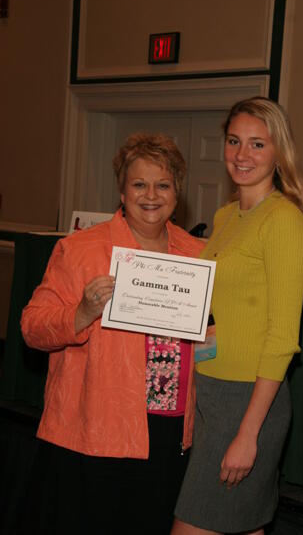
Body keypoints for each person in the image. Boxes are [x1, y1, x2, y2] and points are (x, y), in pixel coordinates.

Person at [20, 133, 205, 535]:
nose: (151, 195)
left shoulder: (197, 253)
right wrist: (82, 312)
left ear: (177, 192)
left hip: (169, 428)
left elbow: (207, 340)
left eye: (163, 185)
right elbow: (32, 328)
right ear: (122, 191)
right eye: (139, 184)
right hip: (96, 428)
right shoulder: (81, 249)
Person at [172, 97, 303, 535]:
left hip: (249, 401)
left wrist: (248, 433)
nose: (242, 155)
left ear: (278, 152)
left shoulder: (284, 221)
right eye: (235, 141)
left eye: (257, 144)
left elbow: (282, 337)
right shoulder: (225, 216)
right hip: (211, 389)